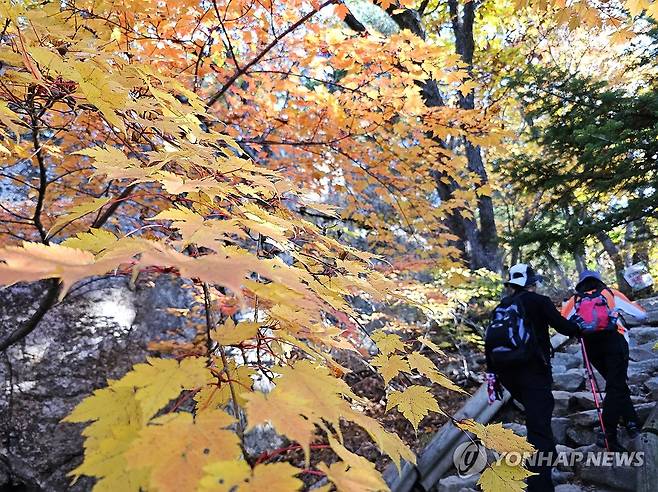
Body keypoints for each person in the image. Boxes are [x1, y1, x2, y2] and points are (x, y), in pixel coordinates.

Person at [485, 264, 580, 492]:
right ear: (532, 284)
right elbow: (565, 328)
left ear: (511, 285)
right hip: (533, 372)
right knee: (538, 427)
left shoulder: (502, 306)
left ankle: (549, 459)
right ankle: (539, 486)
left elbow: (489, 344)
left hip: (507, 375)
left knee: (538, 419)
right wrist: (581, 327)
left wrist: (493, 378)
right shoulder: (539, 301)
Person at [561, 270, 648, 452]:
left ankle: (632, 423)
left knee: (616, 385)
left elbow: (563, 323)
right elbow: (641, 315)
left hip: (591, 346)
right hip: (614, 342)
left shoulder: (575, 300)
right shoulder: (610, 293)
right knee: (615, 387)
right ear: (598, 280)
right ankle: (607, 434)